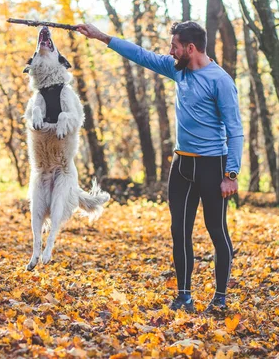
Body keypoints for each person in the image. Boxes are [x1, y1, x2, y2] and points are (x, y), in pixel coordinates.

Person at [76, 21, 243, 313]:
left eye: (175, 46)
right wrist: (101, 36)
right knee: (179, 230)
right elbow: (140, 54)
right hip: (181, 165)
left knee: (216, 230)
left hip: (212, 165)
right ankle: (184, 297)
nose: (170, 51)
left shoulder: (220, 81)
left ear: (190, 48)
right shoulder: (177, 69)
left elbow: (235, 130)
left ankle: (219, 298)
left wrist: (231, 174)